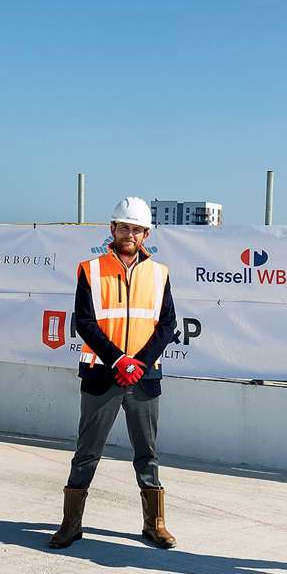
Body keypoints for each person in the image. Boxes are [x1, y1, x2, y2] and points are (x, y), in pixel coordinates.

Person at [48, 196, 179, 551]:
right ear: (112, 229)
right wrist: (118, 360)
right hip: (101, 375)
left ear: (146, 233)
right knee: (87, 451)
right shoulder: (90, 270)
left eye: (137, 229)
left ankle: (155, 524)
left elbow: (168, 325)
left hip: (144, 378)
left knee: (147, 452)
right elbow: (85, 323)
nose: (130, 234)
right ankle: (71, 524)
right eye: (124, 227)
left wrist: (138, 362)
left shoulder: (160, 273)